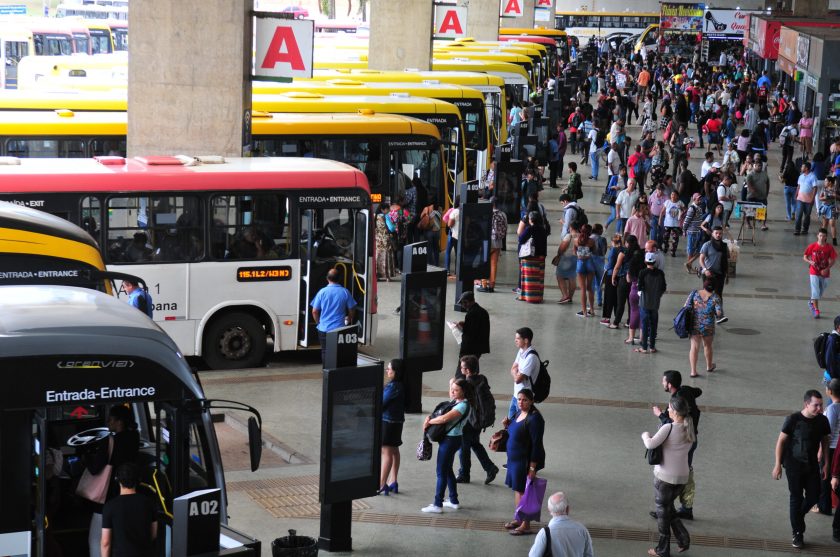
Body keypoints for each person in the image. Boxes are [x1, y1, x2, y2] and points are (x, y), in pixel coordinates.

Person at [773, 390, 831, 549]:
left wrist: (826, 463)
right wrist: (778, 464)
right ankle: (797, 533)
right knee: (796, 497)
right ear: (806, 404)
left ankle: (798, 517)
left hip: (812, 465)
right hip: (793, 466)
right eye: (816, 405)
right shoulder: (792, 420)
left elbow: (825, 441)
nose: (819, 408)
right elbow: (780, 442)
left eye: (821, 405)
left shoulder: (823, 421)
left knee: (814, 496)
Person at [641, 395, 694, 557]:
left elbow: (650, 444)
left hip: (665, 478)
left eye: (669, 408)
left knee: (663, 512)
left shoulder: (669, 428)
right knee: (669, 508)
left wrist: (645, 434)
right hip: (682, 478)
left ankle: (662, 550)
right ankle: (683, 539)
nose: (667, 410)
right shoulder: (689, 428)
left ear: (676, 412)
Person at [89, 405, 140, 557]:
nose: (107, 423)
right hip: (126, 490)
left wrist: (86, 460)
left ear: (119, 422)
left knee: (97, 536)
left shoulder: (109, 441)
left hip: (106, 494)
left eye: (110, 420)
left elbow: (95, 468)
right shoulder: (134, 437)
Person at [651, 371, 703, 521]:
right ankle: (679, 507)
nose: (662, 384)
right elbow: (698, 391)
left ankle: (672, 508)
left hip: (681, 440)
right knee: (685, 471)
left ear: (669, 385)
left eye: (663, 382)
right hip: (691, 439)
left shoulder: (677, 400)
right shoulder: (685, 390)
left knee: (676, 475)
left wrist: (660, 414)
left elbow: (671, 424)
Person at [421, 378, 473, 514]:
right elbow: (452, 392)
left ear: (464, 391)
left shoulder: (462, 406)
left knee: (441, 472)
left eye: (456, 390)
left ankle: (438, 504)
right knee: (448, 469)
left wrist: (429, 421)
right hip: (453, 439)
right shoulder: (458, 401)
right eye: (452, 389)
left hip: (450, 440)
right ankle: (454, 501)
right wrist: (452, 383)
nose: (452, 392)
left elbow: (444, 418)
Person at [502, 388, 546, 536]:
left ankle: (526, 525)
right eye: (519, 399)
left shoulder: (535, 419)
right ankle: (519, 518)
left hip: (524, 461)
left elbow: (536, 445)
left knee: (524, 492)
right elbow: (515, 432)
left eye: (525, 400)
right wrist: (507, 425)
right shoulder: (518, 413)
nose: (521, 402)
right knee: (517, 489)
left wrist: (532, 467)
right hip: (514, 459)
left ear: (531, 401)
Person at [456, 355, 499, 485]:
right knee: (474, 443)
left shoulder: (467, 384)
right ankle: (490, 468)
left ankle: (464, 474)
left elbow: (457, 400)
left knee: (463, 447)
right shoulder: (482, 379)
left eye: (462, 367)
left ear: (468, 370)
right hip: (479, 420)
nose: (461, 369)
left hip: (470, 420)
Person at [100, 463, 157, 557]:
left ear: (117, 480)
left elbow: (105, 542)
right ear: (138, 480)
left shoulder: (110, 506)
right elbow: (154, 533)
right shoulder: (148, 502)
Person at [310, 268, 357, 363]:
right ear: (339, 279)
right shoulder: (345, 292)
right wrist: (349, 318)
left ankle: (326, 372)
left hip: (324, 328)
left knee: (325, 351)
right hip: (339, 329)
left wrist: (319, 323)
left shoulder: (322, 292)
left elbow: (314, 311)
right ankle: (336, 373)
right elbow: (352, 309)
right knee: (338, 351)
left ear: (327, 278)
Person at [528, 492, 595, 557]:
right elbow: (589, 554)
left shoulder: (545, 533)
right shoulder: (582, 529)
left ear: (549, 510)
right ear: (567, 509)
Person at [686, 277, 723, 378]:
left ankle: (693, 371)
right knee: (707, 346)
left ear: (704, 285)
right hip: (708, 326)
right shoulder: (716, 297)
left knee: (694, 347)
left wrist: (697, 306)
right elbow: (719, 314)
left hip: (694, 324)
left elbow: (686, 306)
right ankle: (709, 366)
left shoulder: (694, 293)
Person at [379, 359, 405, 496]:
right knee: (394, 450)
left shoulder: (393, 386)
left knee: (386, 452)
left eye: (389, 369)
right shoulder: (402, 385)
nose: (387, 371)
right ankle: (393, 480)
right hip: (397, 422)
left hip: (388, 423)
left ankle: (382, 484)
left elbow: (381, 403)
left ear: (396, 372)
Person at [636, 252, 667, 354]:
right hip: (655, 303)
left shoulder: (642, 272)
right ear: (655, 262)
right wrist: (658, 295)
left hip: (644, 303)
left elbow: (639, 287)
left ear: (645, 261)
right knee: (654, 325)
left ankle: (644, 347)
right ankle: (652, 347)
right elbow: (663, 287)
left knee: (644, 325)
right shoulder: (660, 273)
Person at [698, 226, 730, 324]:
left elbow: (727, 260)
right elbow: (701, 259)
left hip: (720, 274)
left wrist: (727, 274)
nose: (718, 235)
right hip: (709, 274)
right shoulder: (707, 245)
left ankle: (719, 315)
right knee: (708, 294)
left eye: (720, 233)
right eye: (716, 233)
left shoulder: (724, 246)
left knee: (718, 295)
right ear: (712, 233)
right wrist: (705, 269)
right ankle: (706, 314)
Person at [803, 228, 837, 319]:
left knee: (821, 290)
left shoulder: (829, 248)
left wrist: (827, 268)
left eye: (824, 236)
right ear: (817, 236)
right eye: (820, 235)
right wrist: (810, 262)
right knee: (815, 291)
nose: (822, 238)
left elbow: (833, 260)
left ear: (826, 237)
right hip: (814, 271)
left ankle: (811, 301)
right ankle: (816, 310)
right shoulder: (812, 246)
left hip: (825, 272)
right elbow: (805, 257)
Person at [454, 292, 490, 374]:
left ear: (467, 302)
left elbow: (469, 334)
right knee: (473, 368)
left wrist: (460, 327)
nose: (462, 306)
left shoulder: (471, 314)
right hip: (479, 348)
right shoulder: (483, 311)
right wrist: (465, 324)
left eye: (463, 303)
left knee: (462, 371)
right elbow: (478, 328)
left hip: (469, 349)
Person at [508, 327, 539, 419]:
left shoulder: (531, 357)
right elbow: (513, 368)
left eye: (518, 339)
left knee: (520, 424)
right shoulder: (521, 351)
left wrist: (516, 374)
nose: (515, 340)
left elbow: (518, 380)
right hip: (516, 395)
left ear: (526, 340)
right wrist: (516, 373)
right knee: (510, 423)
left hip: (524, 398)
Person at [518, 211, 548, 303]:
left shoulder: (529, 229)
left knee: (528, 278)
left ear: (531, 219)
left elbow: (521, 239)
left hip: (530, 257)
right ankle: (538, 297)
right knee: (539, 278)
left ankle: (528, 297)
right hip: (541, 257)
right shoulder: (543, 229)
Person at [482, 197, 508, 293]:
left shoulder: (486, 213)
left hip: (487, 241)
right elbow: (505, 228)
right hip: (498, 242)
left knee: (484, 263)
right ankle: (492, 286)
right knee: (493, 265)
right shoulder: (503, 214)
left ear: (491, 204)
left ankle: (484, 284)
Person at [795, 161, 818, 236]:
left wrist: (813, 198)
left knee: (807, 215)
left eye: (802, 167)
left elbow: (815, 188)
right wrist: (796, 194)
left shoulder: (813, 176)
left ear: (807, 168)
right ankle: (797, 229)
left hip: (809, 200)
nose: (801, 168)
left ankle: (805, 229)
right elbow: (799, 186)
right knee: (799, 214)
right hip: (800, 199)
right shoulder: (801, 176)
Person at [660, 190, 684, 257]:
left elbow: (685, 210)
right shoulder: (667, 202)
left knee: (675, 239)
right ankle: (666, 247)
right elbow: (662, 212)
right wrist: (660, 221)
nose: (673, 196)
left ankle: (673, 251)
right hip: (667, 223)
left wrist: (681, 210)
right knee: (665, 237)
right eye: (672, 194)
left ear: (677, 196)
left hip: (676, 224)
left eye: (674, 194)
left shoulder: (680, 203)